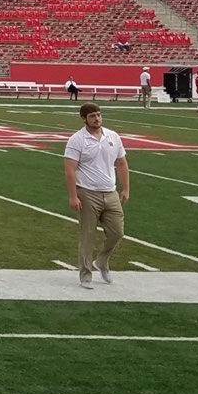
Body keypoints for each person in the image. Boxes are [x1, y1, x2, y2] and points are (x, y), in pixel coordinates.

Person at [64, 102, 129, 289]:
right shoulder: (77, 140)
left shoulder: (113, 136)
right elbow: (70, 169)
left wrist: (125, 189)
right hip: (87, 192)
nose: (97, 119)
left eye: (99, 115)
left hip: (110, 191)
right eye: (92, 116)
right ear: (84, 119)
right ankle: (85, 274)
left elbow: (122, 163)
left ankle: (102, 260)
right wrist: (73, 196)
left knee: (117, 232)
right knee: (87, 235)